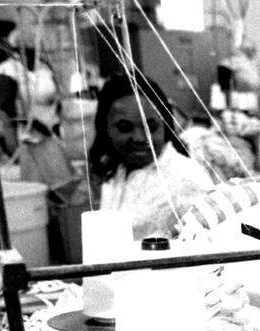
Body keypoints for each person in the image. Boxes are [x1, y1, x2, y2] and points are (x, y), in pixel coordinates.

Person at [89, 74, 213, 239]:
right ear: (105, 128)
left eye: (151, 127)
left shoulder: (186, 176)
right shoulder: (117, 169)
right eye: (125, 127)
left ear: (165, 125)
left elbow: (212, 247)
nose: (140, 138)